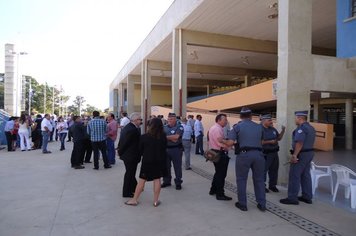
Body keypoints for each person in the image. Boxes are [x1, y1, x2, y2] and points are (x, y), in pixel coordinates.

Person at [222, 107, 266, 212]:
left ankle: (243, 204)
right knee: (259, 180)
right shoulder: (259, 127)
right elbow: (262, 141)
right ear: (251, 116)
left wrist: (222, 140)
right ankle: (262, 204)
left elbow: (230, 143)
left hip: (244, 155)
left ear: (241, 116)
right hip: (259, 155)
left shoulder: (237, 127)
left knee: (241, 179)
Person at [125, 118, 168, 207]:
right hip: (159, 161)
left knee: (142, 181)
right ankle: (155, 201)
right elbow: (164, 148)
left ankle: (134, 199)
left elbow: (140, 150)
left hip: (147, 161)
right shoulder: (163, 136)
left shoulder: (144, 137)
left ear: (150, 125)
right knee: (157, 179)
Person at [280, 110, 316, 205]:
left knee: (294, 175)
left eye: (295, 118)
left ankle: (292, 198)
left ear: (299, 118)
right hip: (309, 153)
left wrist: (295, 155)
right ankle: (307, 196)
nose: (295, 120)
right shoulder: (311, 128)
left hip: (301, 154)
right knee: (305, 175)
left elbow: (299, 142)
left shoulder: (301, 128)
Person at [208, 114, 232, 201]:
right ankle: (220, 194)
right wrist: (229, 145)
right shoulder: (218, 129)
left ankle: (213, 190)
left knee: (218, 173)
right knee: (221, 174)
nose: (226, 121)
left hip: (214, 152)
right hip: (219, 153)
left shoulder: (214, 127)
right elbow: (220, 141)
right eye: (225, 120)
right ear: (218, 120)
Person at [118, 112, 142, 198]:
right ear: (135, 120)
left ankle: (133, 187)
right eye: (140, 119)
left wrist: (120, 150)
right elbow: (125, 142)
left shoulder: (128, 127)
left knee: (130, 173)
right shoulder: (133, 130)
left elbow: (122, 140)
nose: (141, 121)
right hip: (130, 156)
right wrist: (120, 151)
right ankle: (126, 192)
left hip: (128, 155)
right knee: (129, 174)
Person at [261, 114, 285, 193]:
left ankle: (272, 185)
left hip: (274, 153)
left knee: (274, 170)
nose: (271, 122)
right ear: (264, 121)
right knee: (263, 170)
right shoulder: (259, 129)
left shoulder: (272, 129)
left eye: (271, 120)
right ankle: (262, 186)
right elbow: (259, 142)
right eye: (269, 120)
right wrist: (270, 141)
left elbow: (279, 138)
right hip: (265, 154)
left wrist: (283, 131)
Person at [162, 112, 184, 190]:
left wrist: (165, 137)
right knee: (166, 166)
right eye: (168, 119)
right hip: (166, 149)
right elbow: (162, 137)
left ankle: (178, 182)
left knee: (177, 167)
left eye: (171, 119)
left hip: (176, 149)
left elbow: (176, 137)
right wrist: (172, 138)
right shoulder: (164, 127)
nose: (169, 120)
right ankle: (166, 181)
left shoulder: (179, 127)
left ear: (175, 119)